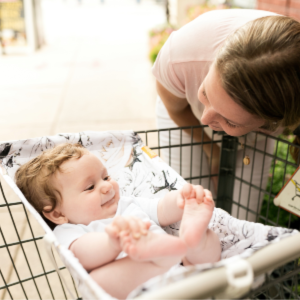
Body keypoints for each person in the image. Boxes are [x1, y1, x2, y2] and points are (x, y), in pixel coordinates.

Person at [15, 143, 221, 299]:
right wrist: (113, 242)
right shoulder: (68, 230)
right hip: (142, 286)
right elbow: (83, 254)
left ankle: (195, 239)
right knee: (97, 283)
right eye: (90, 187)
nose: (107, 187)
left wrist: (181, 200)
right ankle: (165, 257)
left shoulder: (126, 203)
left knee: (210, 239)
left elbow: (160, 209)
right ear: (58, 214)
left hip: (185, 270)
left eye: (105, 177)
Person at [153, 9, 300, 221]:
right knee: (188, 211)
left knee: (243, 217)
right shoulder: (180, 56)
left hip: (257, 134)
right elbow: (178, 110)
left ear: (272, 122)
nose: (205, 120)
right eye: (206, 93)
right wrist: (211, 150)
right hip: (185, 114)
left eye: (230, 120)